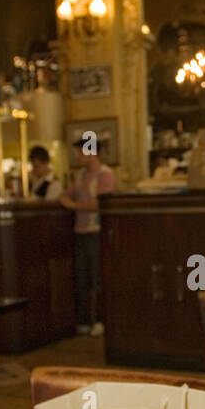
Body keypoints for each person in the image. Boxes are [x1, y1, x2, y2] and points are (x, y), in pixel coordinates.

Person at [58, 137, 116, 336]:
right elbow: (65, 194)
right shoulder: (81, 175)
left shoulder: (105, 175)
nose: (78, 156)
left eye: (81, 152)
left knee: (98, 278)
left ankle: (100, 319)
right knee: (81, 278)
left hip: (96, 231)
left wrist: (74, 205)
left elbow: (102, 204)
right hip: (80, 232)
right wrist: (71, 202)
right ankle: (83, 320)